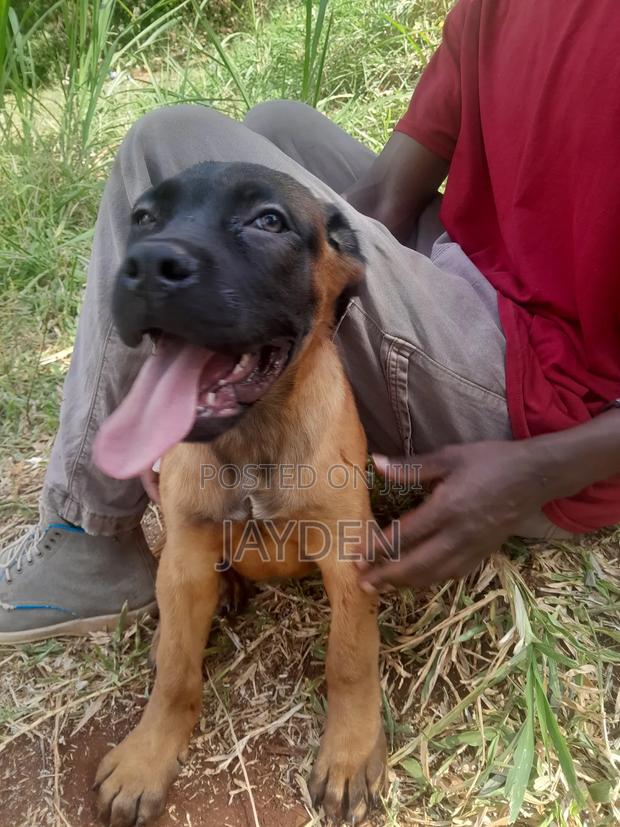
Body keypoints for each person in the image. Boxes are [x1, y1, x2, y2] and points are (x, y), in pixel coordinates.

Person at [2, 0, 619, 642]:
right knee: (278, 129)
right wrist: (185, 375)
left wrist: (535, 472)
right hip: (477, 264)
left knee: (168, 143)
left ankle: (88, 540)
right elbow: (385, 197)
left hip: (549, 400)